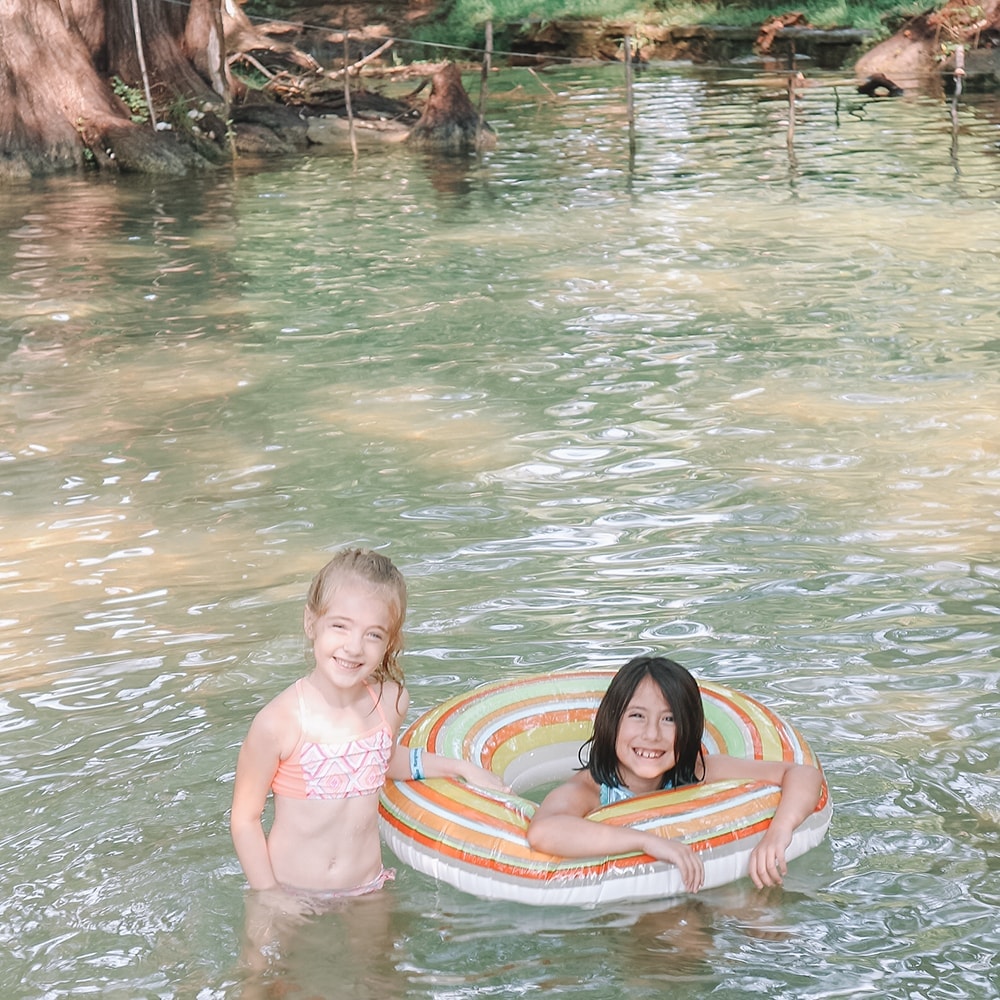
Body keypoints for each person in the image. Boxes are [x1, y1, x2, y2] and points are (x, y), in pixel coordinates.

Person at [230, 547, 504, 905]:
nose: (354, 647)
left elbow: (382, 762)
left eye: (373, 634)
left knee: (379, 961)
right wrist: (269, 895)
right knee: (262, 964)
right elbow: (245, 819)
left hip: (367, 888)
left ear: (391, 641)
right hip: (290, 890)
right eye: (340, 626)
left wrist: (461, 768)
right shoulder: (279, 722)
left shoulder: (390, 702)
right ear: (311, 622)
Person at [526, 655, 823, 893]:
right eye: (637, 716)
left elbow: (801, 774)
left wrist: (777, 834)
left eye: (669, 719)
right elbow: (544, 831)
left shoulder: (698, 771)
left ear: (689, 729)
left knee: (763, 914)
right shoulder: (589, 791)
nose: (652, 734)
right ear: (611, 723)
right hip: (624, 902)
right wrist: (645, 841)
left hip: (699, 889)